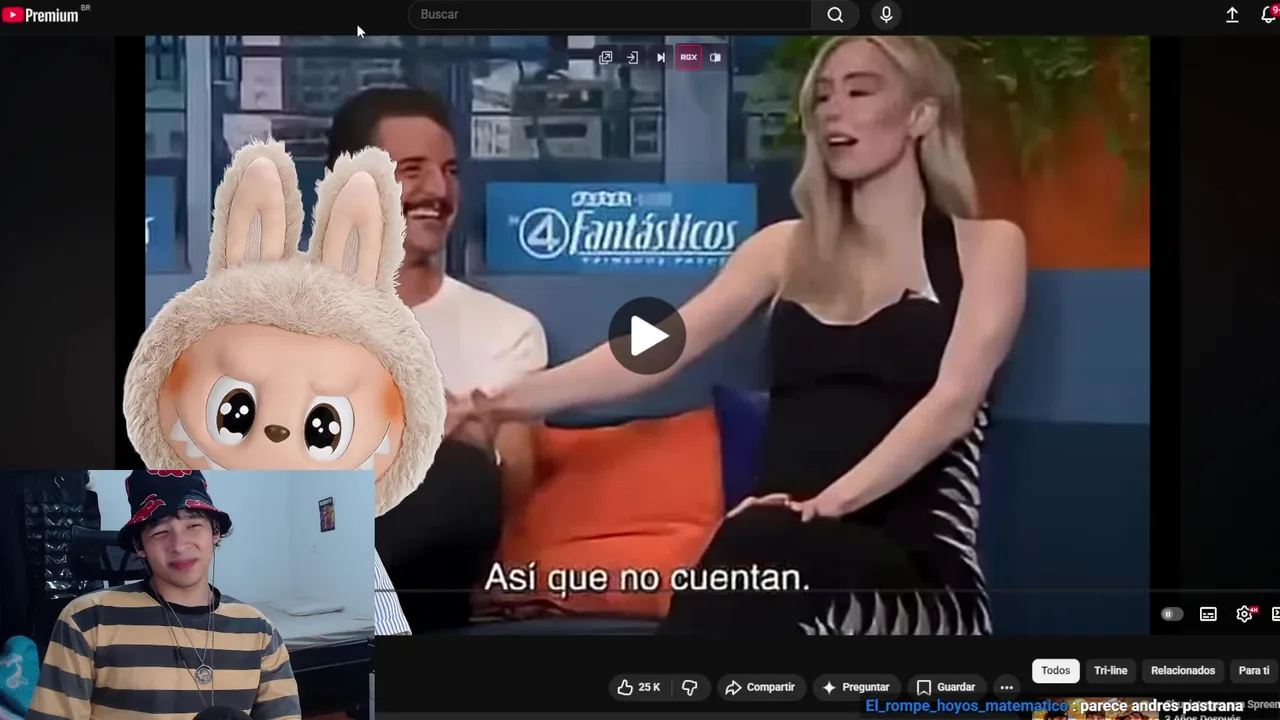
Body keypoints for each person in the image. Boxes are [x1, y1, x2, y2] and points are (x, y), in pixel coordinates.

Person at [452, 36, 1027, 635]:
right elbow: (655, 349)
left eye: (860, 92)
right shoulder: (782, 249)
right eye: (823, 97)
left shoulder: (988, 247)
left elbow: (953, 405)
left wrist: (822, 507)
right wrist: (497, 403)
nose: (835, 110)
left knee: (760, 553)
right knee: (752, 563)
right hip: (777, 546)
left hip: (911, 576)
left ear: (921, 115)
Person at [326, 87, 548, 631]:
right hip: (311, 528)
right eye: (413, 170)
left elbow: (512, 482)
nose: (439, 190)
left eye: (449, 171)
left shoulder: (508, 330)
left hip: (431, 566)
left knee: (459, 471)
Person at [27, 470, 302, 720]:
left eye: (193, 526)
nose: (179, 546)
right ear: (139, 546)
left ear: (215, 532)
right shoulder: (86, 620)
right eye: (160, 531)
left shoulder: (259, 630)